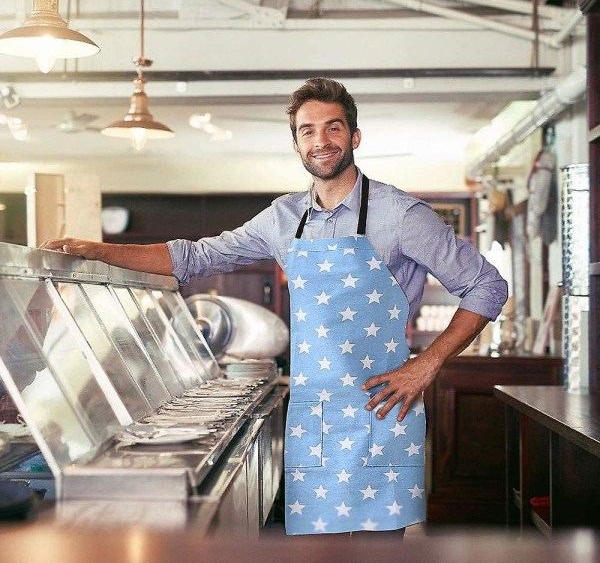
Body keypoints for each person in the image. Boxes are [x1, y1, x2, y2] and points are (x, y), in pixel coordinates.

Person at [41, 77, 508, 536]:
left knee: (373, 553)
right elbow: (194, 256)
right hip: (312, 416)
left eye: (333, 128)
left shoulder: (403, 215)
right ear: (296, 143)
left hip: (380, 413)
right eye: (308, 131)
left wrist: (427, 364)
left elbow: (486, 286)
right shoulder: (282, 218)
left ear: (354, 136)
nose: (321, 141)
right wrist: (97, 251)